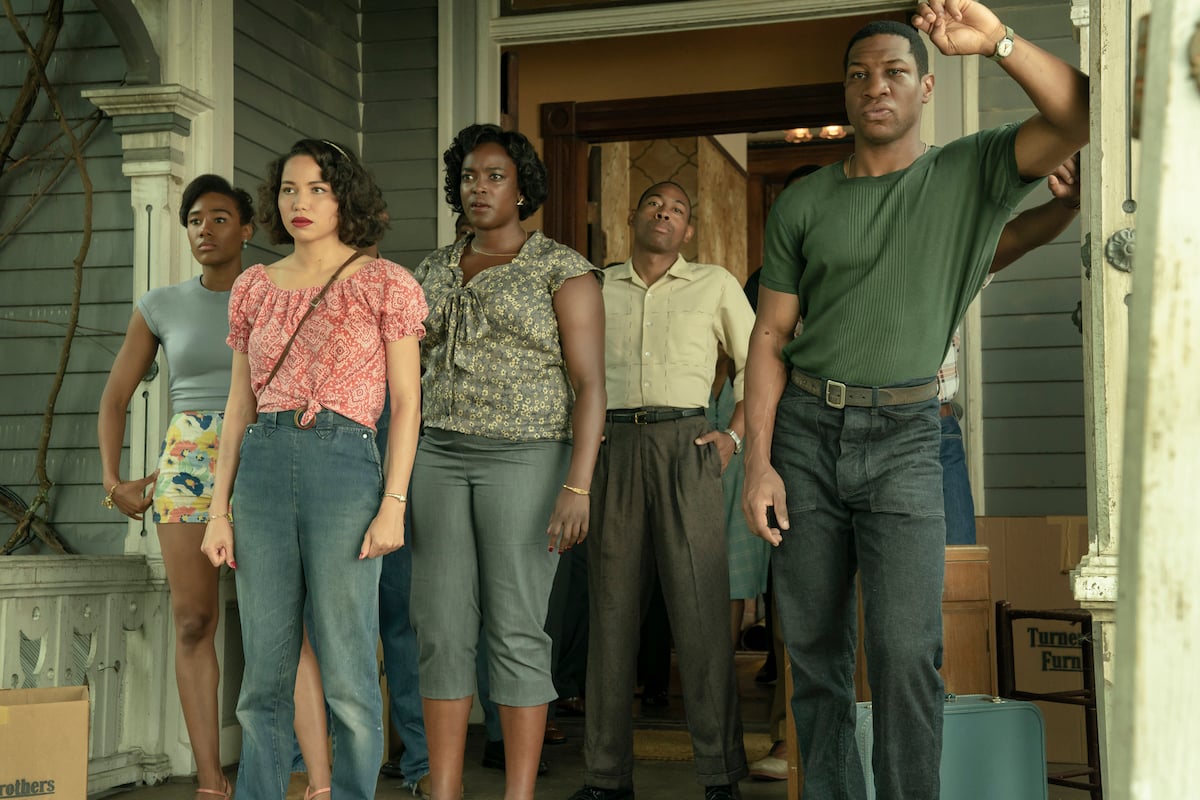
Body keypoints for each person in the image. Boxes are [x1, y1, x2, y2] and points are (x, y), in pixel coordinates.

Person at [741, 2, 1088, 796]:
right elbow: (768, 338)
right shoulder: (803, 203)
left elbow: (1081, 111)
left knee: (905, 655)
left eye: (895, 72)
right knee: (816, 656)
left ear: (927, 86)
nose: (876, 87)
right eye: (859, 75)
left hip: (905, 437)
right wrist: (758, 464)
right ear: (846, 92)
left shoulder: (969, 170)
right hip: (805, 433)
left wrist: (994, 39)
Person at [200, 139, 427, 800]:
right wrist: (219, 511)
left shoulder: (387, 282)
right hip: (263, 469)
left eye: (318, 189)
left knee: (350, 671)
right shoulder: (254, 287)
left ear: (344, 197)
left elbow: (408, 403)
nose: (300, 203)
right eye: (290, 189)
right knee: (263, 677)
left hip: (346, 466)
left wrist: (395, 502)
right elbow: (239, 402)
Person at [97, 174, 332, 800]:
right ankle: (209, 778)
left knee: (286, 622)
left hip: (264, 449)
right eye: (196, 220)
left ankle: (319, 781)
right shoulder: (161, 305)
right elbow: (116, 395)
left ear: (248, 229)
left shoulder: (276, 291)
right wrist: (112, 480)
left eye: (221, 218)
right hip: (187, 459)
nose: (206, 229)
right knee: (194, 619)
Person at [410, 123, 605, 800]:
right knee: (438, 625)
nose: (479, 188)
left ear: (522, 187)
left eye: (495, 175)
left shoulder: (561, 267)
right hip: (436, 452)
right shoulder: (431, 269)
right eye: (468, 176)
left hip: (528, 456)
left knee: (517, 625)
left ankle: (518, 794)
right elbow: (406, 371)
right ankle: (445, 790)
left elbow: (591, 385)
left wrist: (578, 483)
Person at [569, 181, 754, 800]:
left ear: (690, 229)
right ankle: (605, 777)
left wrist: (734, 433)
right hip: (612, 448)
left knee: (702, 614)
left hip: (688, 446)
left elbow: (760, 361)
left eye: (678, 208)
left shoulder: (717, 284)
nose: (664, 214)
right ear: (631, 215)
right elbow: (567, 366)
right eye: (654, 204)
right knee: (612, 616)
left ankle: (720, 775)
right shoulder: (594, 284)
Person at [939, 154, 1083, 545]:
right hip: (841, 428)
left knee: (956, 569)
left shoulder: (947, 255)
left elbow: (1020, 235)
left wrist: (1069, 201)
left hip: (933, 427)